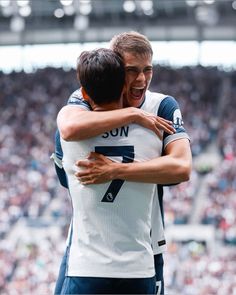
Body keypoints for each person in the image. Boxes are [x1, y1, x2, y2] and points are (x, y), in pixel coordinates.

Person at [55, 31, 192, 295]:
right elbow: (69, 129)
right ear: (115, 68)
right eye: (132, 70)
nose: (142, 80)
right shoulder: (82, 102)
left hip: (146, 245)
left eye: (148, 70)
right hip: (89, 250)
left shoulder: (162, 105)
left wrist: (116, 170)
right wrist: (133, 114)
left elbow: (181, 168)